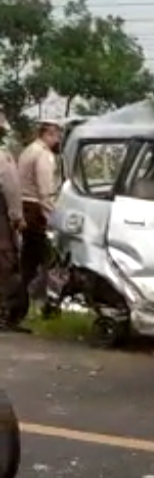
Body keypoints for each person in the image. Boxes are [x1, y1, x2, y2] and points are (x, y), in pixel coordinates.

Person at [17, 120, 61, 299]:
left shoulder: (28, 151)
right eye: (57, 136)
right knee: (43, 256)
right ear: (48, 134)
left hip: (24, 205)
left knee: (28, 256)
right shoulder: (44, 155)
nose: (58, 140)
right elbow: (45, 190)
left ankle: (20, 297)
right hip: (35, 208)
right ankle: (39, 296)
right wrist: (54, 216)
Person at [0, 131, 28, 329]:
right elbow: (11, 189)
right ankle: (7, 314)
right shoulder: (3, 158)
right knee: (6, 261)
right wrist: (17, 217)